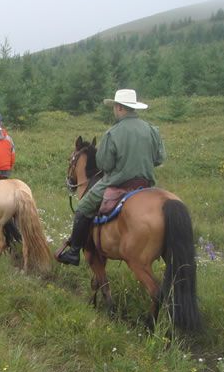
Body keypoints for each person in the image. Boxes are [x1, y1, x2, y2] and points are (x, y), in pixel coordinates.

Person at [56, 89, 166, 266]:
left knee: (83, 207)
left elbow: (104, 165)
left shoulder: (113, 133)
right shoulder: (152, 130)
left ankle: (74, 251)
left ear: (121, 108)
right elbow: (159, 158)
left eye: (115, 106)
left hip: (118, 182)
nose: (114, 110)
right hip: (146, 185)